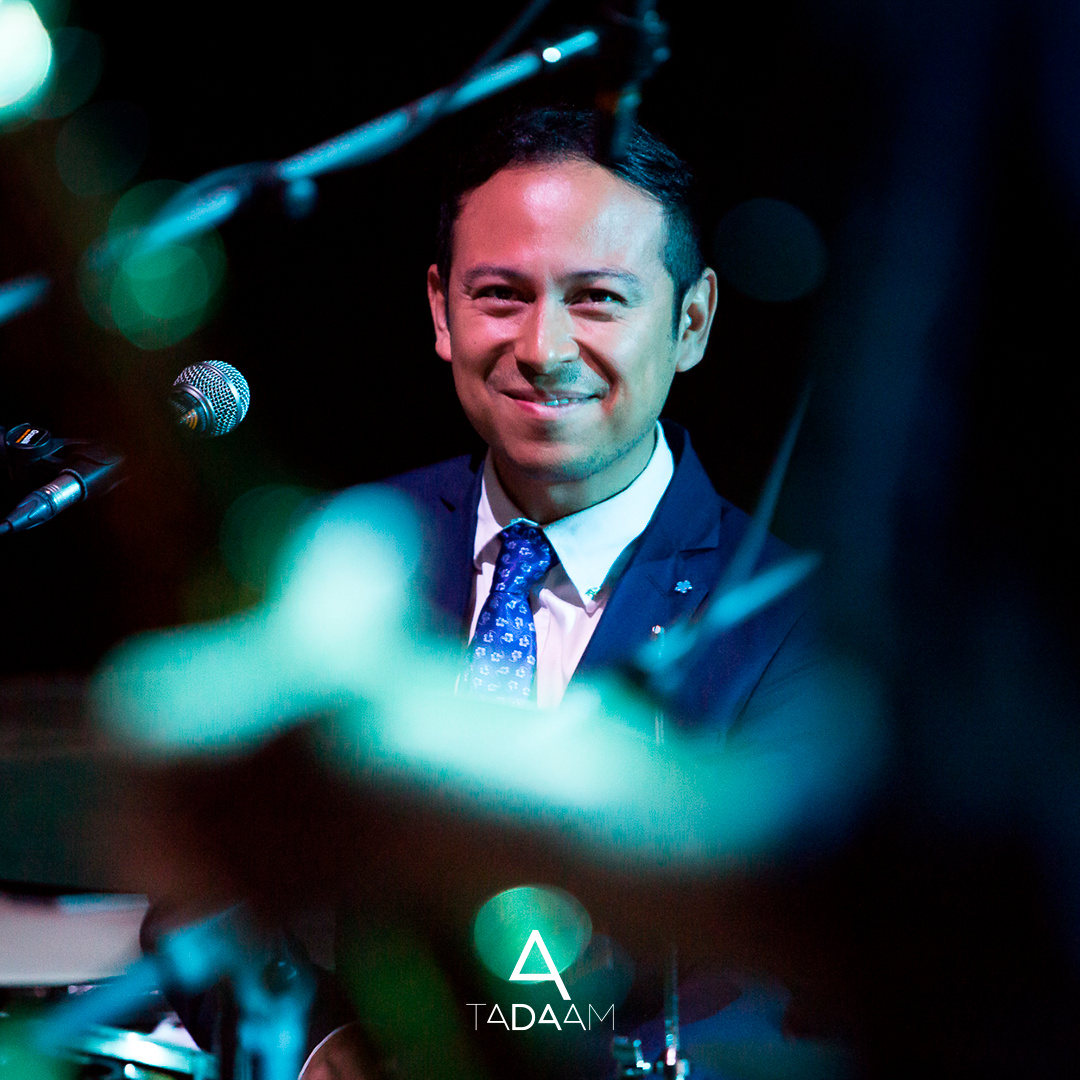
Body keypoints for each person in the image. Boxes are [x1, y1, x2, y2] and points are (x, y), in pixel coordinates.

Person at [140, 107, 834, 1080]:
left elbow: (809, 971)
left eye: (598, 300)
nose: (543, 347)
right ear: (440, 311)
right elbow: (200, 894)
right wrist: (322, 1044)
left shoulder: (788, 616)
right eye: (501, 295)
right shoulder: (346, 549)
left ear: (692, 322)